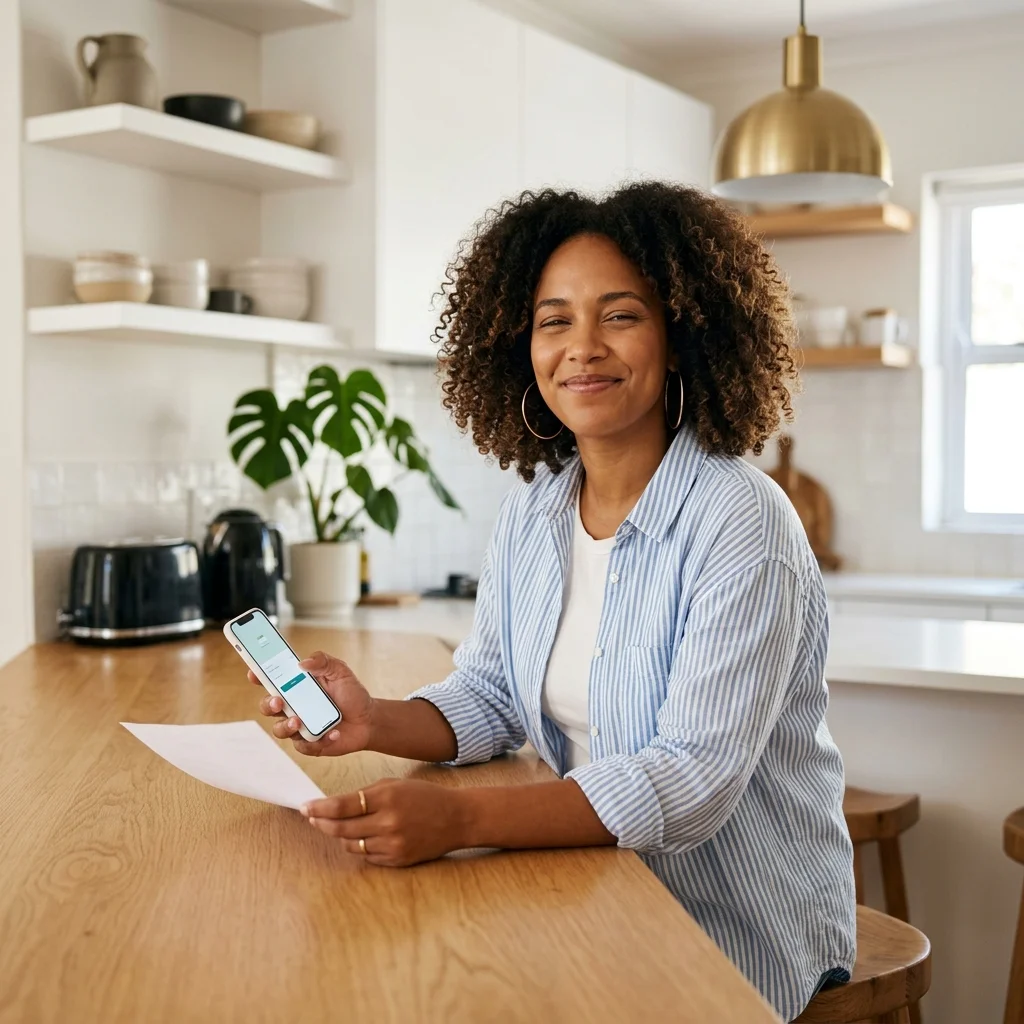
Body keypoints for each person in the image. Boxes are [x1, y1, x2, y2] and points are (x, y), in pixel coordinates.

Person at [251, 182, 856, 1020]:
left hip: (731, 923)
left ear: (679, 336)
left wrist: (461, 823)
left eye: (620, 315)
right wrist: (373, 720)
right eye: (554, 320)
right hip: (588, 881)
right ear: (521, 348)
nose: (583, 348)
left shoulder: (741, 520)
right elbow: (495, 693)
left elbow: (692, 780)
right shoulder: (536, 508)